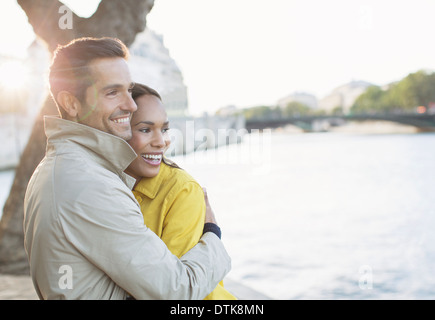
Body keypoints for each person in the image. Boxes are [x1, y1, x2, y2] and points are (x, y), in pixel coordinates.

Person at [23, 37, 231, 300]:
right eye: (112, 92)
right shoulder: (91, 184)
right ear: (71, 103)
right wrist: (212, 235)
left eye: (128, 90)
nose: (130, 105)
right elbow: (176, 291)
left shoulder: (56, 169)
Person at [124, 83, 236, 300]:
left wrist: (213, 233)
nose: (161, 142)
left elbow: (173, 292)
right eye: (145, 130)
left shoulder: (182, 190)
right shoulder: (107, 187)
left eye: (164, 129)